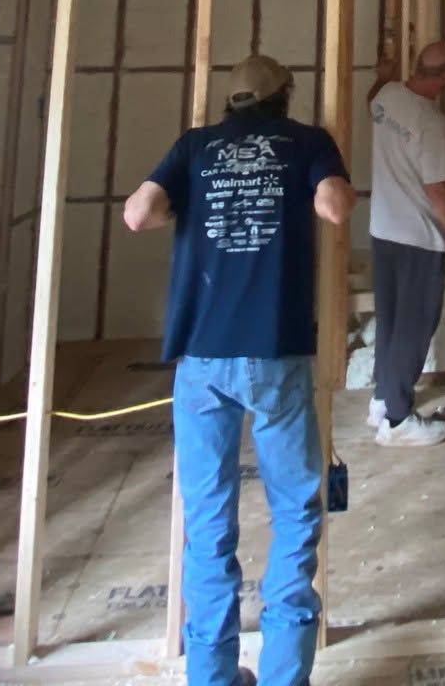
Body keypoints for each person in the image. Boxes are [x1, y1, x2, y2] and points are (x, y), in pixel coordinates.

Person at [122, 54, 354, 686]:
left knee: (208, 521)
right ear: (286, 96)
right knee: (296, 512)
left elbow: (138, 214)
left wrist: (188, 211)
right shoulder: (307, 141)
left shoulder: (194, 147)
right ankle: (283, 674)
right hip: (274, 351)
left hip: (201, 357)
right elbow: (334, 208)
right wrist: (323, 184)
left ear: (232, 101)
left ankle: (214, 677)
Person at [365, 40, 445, 447]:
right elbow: (438, 193)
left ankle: (382, 402)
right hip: (419, 236)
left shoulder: (388, 95)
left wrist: (384, 74)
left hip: (383, 231)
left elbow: (372, 102)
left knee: (391, 321)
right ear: (443, 78)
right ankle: (399, 421)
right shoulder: (431, 124)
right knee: (413, 328)